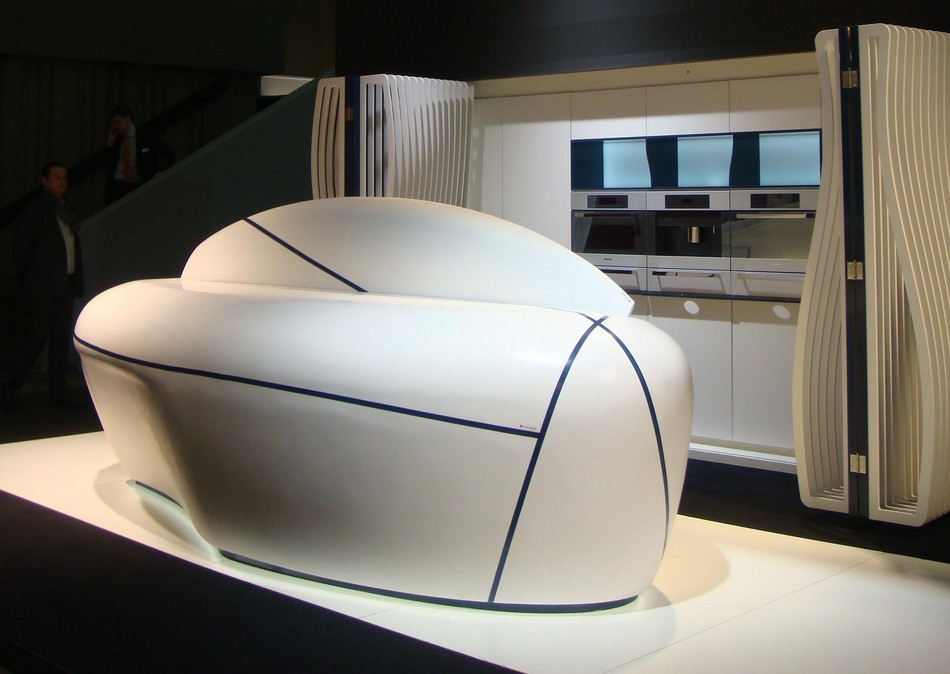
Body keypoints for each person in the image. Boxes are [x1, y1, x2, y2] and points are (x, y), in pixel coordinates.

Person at [0, 161, 84, 410]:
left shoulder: (67, 209)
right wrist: (30, 281)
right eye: (56, 177)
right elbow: (21, 248)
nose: (61, 181)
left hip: (65, 283)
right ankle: (9, 385)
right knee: (37, 336)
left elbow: (70, 247)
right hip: (43, 285)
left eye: (64, 177)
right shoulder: (36, 209)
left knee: (60, 339)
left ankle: (58, 392)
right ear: (44, 181)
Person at [104, 104, 175, 205]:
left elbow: (168, 153)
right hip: (118, 185)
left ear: (128, 119)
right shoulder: (117, 141)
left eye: (118, 122)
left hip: (140, 183)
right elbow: (108, 164)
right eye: (113, 123)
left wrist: (161, 170)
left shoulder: (145, 136)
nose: (115, 126)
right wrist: (110, 143)